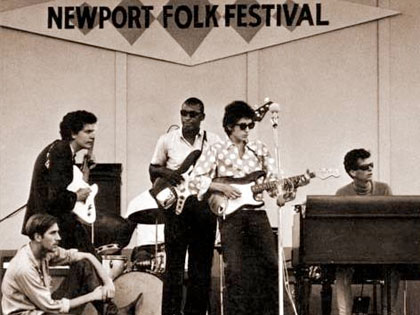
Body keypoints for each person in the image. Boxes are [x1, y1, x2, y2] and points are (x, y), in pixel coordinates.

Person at [189, 101, 295, 315]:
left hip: (257, 214)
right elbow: (193, 180)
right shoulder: (216, 149)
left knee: (270, 266)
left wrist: (283, 194)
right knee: (235, 271)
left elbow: (274, 181)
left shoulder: (260, 150)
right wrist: (221, 187)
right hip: (231, 217)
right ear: (229, 126)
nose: (248, 130)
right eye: (242, 126)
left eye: (250, 126)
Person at [149, 97, 221, 315]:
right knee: (174, 267)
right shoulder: (167, 140)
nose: (187, 118)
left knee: (201, 268)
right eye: (184, 113)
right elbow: (153, 170)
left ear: (202, 117)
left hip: (202, 208)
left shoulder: (214, 141)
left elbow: (221, 174)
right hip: (176, 210)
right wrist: (170, 173)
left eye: (193, 114)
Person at [1, 214, 116, 315]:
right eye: (53, 233)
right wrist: (92, 296)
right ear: (38, 237)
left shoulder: (45, 251)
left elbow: (86, 256)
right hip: (33, 312)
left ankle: (108, 310)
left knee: (83, 265)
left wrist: (108, 282)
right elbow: (51, 307)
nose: (59, 238)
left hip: (43, 307)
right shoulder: (24, 268)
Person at [22, 110, 97, 253]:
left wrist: (86, 169)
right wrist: (77, 196)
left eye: (93, 131)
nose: (92, 136)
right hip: (50, 224)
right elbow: (55, 197)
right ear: (73, 133)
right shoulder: (62, 152)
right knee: (89, 260)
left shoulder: (59, 149)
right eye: (87, 131)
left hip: (44, 224)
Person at [335, 148, 399, 315]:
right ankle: (344, 313)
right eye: (365, 167)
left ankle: (388, 312)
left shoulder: (384, 189)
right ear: (352, 172)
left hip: (380, 251)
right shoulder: (341, 194)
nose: (370, 169)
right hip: (352, 252)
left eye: (371, 165)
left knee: (393, 268)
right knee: (342, 270)